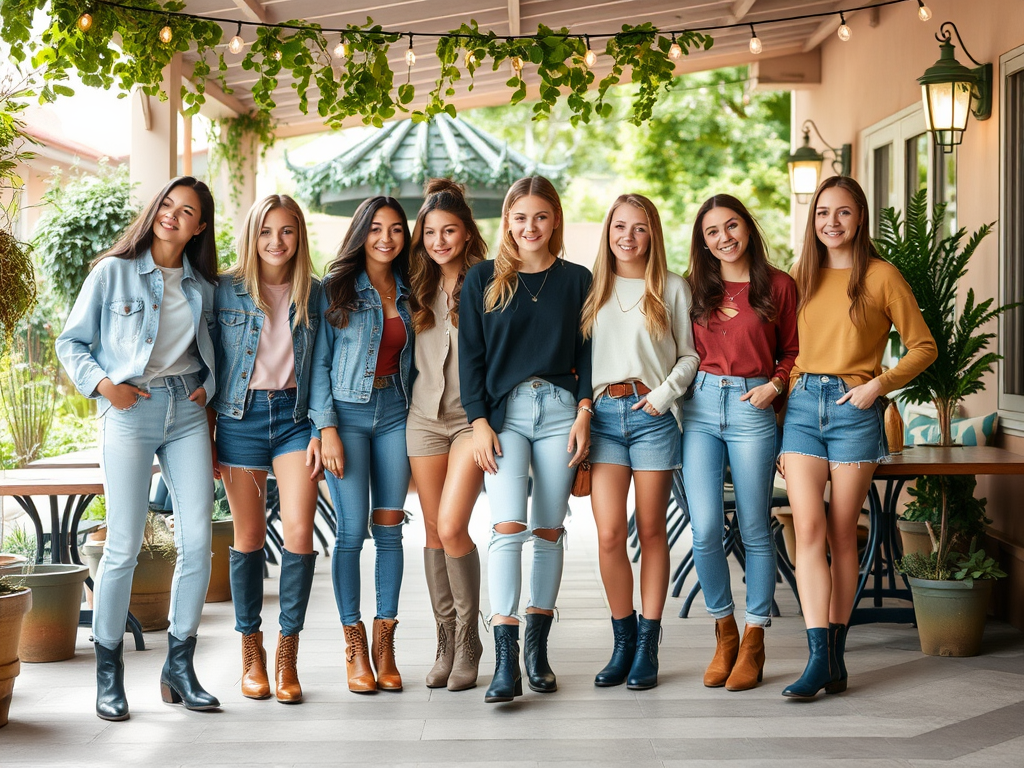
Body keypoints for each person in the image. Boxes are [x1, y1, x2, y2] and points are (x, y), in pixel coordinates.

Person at [56, 177, 221, 720]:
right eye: (167, 205)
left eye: (187, 211)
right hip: (129, 409)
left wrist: (210, 386)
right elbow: (71, 341)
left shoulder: (203, 285)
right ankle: (110, 672)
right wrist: (105, 386)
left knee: (197, 539)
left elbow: (215, 346)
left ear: (200, 225)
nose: (172, 216)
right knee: (123, 544)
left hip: (188, 412)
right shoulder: (114, 271)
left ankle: (179, 665)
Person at [779, 176, 937, 698]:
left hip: (853, 409)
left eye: (843, 213)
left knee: (844, 532)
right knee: (809, 531)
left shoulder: (882, 277)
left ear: (860, 217)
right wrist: (780, 419)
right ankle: (817, 656)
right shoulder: (798, 275)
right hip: (801, 409)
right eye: (823, 212)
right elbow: (781, 351)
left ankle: (836, 657)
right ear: (813, 218)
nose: (832, 222)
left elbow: (922, 346)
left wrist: (878, 387)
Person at [459, 176, 593, 703]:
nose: (529, 226)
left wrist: (585, 412)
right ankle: (505, 661)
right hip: (504, 416)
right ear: (507, 222)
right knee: (506, 526)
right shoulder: (483, 279)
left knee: (549, 530)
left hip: (562, 412)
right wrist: (478, 422)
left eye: (540, 216)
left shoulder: (578, 279)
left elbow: (587, 353)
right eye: (520, 217)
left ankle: (537, 651)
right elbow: (471, 355)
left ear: (554, 219)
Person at [209, 194, 323, 704]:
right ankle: (250, 652)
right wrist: (208, 427)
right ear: (251, 236)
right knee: (249, 535)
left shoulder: (314, 295)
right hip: (241, 417)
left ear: (299, 237)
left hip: (297, 419)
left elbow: (323, 366)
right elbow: (203, 359)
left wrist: (324, 426)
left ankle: (287, 655)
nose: (276, 242)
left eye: (287, 232)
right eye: (266, 232)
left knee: (299, 533)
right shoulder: (224, 291)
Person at [582, 194, 699, 690]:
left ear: (653, 235)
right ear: (608, 232)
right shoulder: (590, 290)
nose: (627, 237)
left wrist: (664, 396)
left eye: (640, 228)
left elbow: (690, 358)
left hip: (651, 416)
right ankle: (622, 639)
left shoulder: (673, 288)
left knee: (651, 531)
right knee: (609, 534)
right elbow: (576, 361)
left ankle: (649, 644)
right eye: (619, 227)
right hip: (604, 417)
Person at [683, 194, 799, 692]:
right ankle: (724, 631)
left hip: (754, 407)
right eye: (712, 231)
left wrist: (775, 385)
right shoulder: (691, 289)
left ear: (747, 228)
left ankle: (755, 636)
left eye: (731, 226)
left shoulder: (779, 285)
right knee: (705, 528)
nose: (724, 237)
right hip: (701, 407)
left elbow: (795, 350)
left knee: (754, 526)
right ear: (703, 241)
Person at [309, 196, 414, 694]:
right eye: (375, 228)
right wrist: (325, 428)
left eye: (395, 229)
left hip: (396, 413)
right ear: (360, 233)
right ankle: (353, 645)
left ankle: (384, 643)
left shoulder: (413, 288)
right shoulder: (335, 290)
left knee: (390, 530)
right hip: (346, 418)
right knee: (351, 534)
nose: (386, 238)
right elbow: (319, 365)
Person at [407, 180, 487, 691]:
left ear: (465, 232)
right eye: (431, 232)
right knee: (433, 530)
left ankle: (469, 640)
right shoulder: (412, 284)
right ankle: (446, 638)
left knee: (454, 526)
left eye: (449, 231)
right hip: (422, 419)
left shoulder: (488, 281)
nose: (439, 241)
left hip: (470, 421)